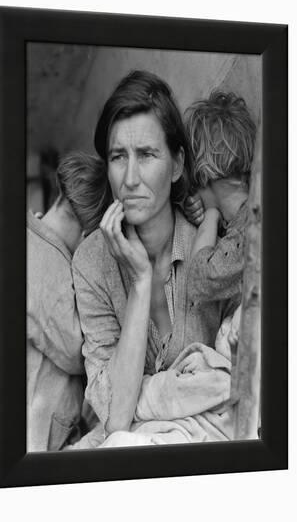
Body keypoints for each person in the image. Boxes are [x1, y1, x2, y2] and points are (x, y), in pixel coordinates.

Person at [72, 71, 232, 442]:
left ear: (176, 165)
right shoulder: (91, 262)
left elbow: (230, 376)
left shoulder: (210, 249)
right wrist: (141, 282)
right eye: (117, 157)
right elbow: (115, 416)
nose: (129, 179)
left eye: (145, 155)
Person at [27, 150, 109, 451]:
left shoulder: (26, 235)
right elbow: (79, 350)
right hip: (34, 441)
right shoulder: (52, 269)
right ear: (90, 233)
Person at [184, 90, 256, 315]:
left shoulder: (250, 229)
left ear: (202, 173)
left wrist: (210, 217)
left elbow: (198, 280)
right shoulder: (243, 220)